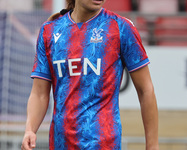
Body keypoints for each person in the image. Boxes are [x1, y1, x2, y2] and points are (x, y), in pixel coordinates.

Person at [21, 0, 159, 150]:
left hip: (104, 144)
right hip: (60, 144)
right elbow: (39, 94)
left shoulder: (121, 27)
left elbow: (146, 90)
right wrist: (30, 129)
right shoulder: (49, 30)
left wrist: (152, 146)